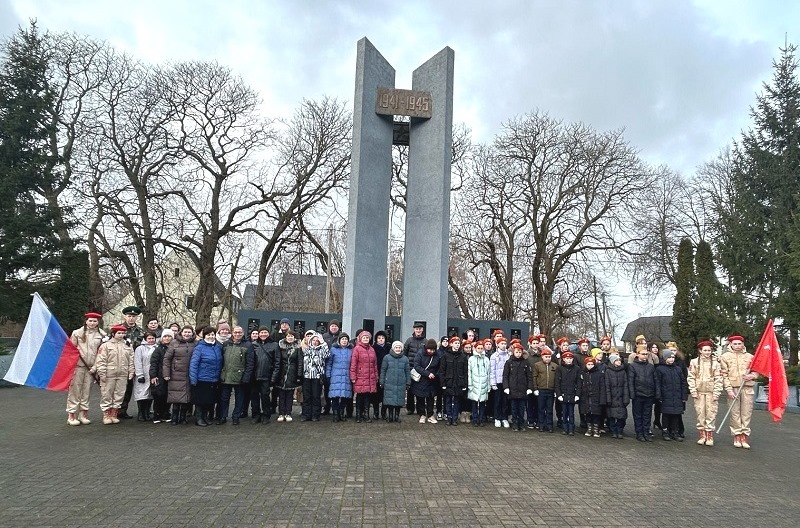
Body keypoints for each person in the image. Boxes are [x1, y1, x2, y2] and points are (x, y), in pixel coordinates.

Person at [66, 312, 105, 426]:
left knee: (87, 390)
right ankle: (71, 414)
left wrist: (96, 367)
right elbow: (70, 350)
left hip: (92, 367)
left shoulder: (102, 335)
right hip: (78, 366)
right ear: (86, 321)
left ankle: (83, 414)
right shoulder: (77, 333)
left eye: (95, 321)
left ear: (98, 322)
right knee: (75, 390)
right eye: (90, 321)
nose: (92, 323)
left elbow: (101, 353)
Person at [720, 334, 756, 449]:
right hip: (734, 388)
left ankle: (744, 435)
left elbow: (756, 371)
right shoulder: (725, 357)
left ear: (743, 344)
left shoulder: (750, 357)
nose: (737, 346)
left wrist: (751, 376)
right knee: (735, 413)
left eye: (739, 343)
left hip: (747, 388)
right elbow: (724, 375)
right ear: (731, 344)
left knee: (746, 413)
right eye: (735, 344)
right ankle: (737, 435)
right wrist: (729, 390)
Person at [94, 324, 134, 424]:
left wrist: (131, 371)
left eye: (123, 333)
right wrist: (101, 373)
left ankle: (114, 414)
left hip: (122, 374)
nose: (121, 335)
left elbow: (131, 360)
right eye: (118, 333)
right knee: (107, 394)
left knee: (119, 394)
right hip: (109, 374)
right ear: (113, 334)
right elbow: (101, 360)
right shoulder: (106, 345)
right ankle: (106, 415)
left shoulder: (127, 345)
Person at [688, 339, 723, 446]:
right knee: (700, 413)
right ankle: (702, 435)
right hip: (699, 393)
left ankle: (709, 436)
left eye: (709, 350)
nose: (707, 352)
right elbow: (691, 377)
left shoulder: (716, 363)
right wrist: (693, 391)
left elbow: (719, 379)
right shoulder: (694, 362)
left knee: (711, 413)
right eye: (705, 350)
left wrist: (716, 393)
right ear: (700, 351)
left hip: (711, 393)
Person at [219, 326, 254, 425]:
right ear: (232, 333)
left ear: (243, 333)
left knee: (239, 399)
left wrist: (246, 377)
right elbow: (221, 360)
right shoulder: (226, 344)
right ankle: (223, 416)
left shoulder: (248, 345)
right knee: (224, 398)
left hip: (240, 377)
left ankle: (236, 417)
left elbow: (250, 363)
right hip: (226, 376)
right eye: (235, 332)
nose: (237, 334)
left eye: (239, 332)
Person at [190, 326, 223, 427]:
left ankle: (205, 417)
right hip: (202, 378)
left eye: (212, 334)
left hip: (214, 379)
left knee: (209, 400)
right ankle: (199, 418)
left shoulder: (217, 347)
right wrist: (193, 379)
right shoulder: (199, 348)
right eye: (208, 335)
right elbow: (193, 364)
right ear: (204, 336)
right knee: (200, 401)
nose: (210, 337)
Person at [163, 325, 196, 425]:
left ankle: (183, 417)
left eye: (189, 332)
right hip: (175, 374)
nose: (187, 334)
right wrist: (166, 374)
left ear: (192, 333)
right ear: (181, 333)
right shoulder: (174, 343)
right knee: (176, 397)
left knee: (186, 397)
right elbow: (167, 359)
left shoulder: (196, 343)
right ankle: (174, 417)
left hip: (189, 374)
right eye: (185, 332)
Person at [655, 349, 688, 442]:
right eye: (669, 357)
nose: (671, 359)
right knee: (666, 415)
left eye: (673, 357)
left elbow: (683, 383)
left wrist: (684, 396)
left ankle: (675, 432)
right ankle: (665, 431)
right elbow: (658, 384)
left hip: (677, 396)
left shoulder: (678, 369)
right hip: (666, 397)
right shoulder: (660, 369)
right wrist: (659, 396)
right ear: (665, 358)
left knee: (676, 415)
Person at [118, 305, 143, 419]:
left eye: (133, 316)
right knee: (121, 387)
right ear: (125, 317)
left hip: (136, 362)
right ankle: (116, 410)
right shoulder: (118, 330)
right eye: (129, 316)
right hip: (122, 361)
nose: (131, 318)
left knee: (131, 388)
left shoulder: (141, 332)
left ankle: (124, 410)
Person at [503, 341, 534, 431]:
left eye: (520, 352)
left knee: (521, 408)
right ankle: (515, 423)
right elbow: (505, 376)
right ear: (513, 352)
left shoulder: (525, 363)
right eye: (516, 352)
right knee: (514, 408)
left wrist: (529, 387)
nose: (518, 354)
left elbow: (529, 376)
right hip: (513, 389)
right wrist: (506, 387)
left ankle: (521, 423)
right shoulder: (509, 362)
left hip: (523, 389)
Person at [628, 346, 656, 442]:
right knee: (638, 415)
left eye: (646, 354)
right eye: (643, 354)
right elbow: (630, 381)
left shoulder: (651, 367)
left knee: (647, 415)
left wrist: (656, 393)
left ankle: (646, 432)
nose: (645, 356)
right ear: (637, 354)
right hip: (638, 394)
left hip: (649, 394)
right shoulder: (632, 366)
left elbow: (655, 380)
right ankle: (639, 433)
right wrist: (632, 394)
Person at [350, 330, 378, 423]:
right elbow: (353, 364)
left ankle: (366, 414)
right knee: (359, 396)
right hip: (360, 376)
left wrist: (376, 376)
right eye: (364, 337)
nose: (366, 339)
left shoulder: (372, 349)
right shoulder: (356, 349)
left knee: (367, 397)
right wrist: (353, 376)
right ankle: (358, 415)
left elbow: (375, 365)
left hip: (370, 376)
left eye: (367, 338)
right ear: (360, 339)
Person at [274, 330, 303, 422]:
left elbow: (300, 362)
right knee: (281, 395)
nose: (290, 338)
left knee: (290, 395)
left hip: (292, 373)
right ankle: (281, 413)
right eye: (288, 336)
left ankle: (288, 413)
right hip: (282, 372)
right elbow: (277, 360)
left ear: (294, 338)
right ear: (285, 337)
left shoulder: (298, 348)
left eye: (292, 336)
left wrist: (299, 375)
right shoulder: (280, 347)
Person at [439, 336, 468, 426]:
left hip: (459, 382)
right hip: (448, 382)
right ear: (451, 344)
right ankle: (449, 418)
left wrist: (465, 384)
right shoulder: (445, 356)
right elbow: (442, 371)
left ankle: (454, 418)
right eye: (455, 343)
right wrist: (443, 383)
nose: (457, 345)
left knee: (456, 401)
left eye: (458, 343)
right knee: (447, 401)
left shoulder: (462, 356)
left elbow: (465, 371)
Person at [301, 331, 329, 422]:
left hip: (317, 377)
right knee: (307, 397)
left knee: (316, 396)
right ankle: (306, 415)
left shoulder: (321, 350)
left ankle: (315, 415)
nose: (315, 342)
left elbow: (327, 354)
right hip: (306, 376)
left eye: (317, 341)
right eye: (314, 340)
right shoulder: (306, 350)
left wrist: (323, 342)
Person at [251, 327, 277, 424]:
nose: (263, 334)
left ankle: (266, 415)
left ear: (268, 333)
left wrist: (273, 377)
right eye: (261, 332)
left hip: (267, 375)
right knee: (254, 397)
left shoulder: (274, 345)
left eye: (265, 332)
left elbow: (277, 363)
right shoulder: (253, 345)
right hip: (254, 376)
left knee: (265, 397)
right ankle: (256, 414)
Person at [380, 340, 411, 423]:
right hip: (389, 382)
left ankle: (397, 416)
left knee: (399, 400)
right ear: (393, 348)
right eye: (396, 347)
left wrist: (408, 382)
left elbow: (407, 371)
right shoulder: (387, 358)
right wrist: (382, 381)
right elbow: (383, 370)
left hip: (401, 383)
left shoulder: (405, 359)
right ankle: (390, 415)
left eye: (399, 347)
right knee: (390, 401)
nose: (398, 349)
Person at [412, 339, 441, 424]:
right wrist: (427, 374)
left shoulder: (437, 355)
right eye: (430, 349)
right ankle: (421, 415)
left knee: (430, 399)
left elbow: (440, 367)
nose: (431, 351)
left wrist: (435, 375)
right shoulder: (420, 353)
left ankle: (430, 415)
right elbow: (417, 366)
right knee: (420, 398)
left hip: (432, 381)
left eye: (433, 350)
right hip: (421, 379)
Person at [327, 333, 353, 423]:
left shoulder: (351, 351)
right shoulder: (333, 350)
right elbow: (329, 363)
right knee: (335, 396)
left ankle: (341, 413)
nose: (344, 341)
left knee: (345, 396)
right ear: (339, 340)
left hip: (346, 376)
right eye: (342, 339)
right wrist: (328, 375)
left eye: (346, 339)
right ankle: (335, 414)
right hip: (335, 376)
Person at [403, 322, 427, 414]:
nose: (418, 331)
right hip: (410, 368)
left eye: (420, 329)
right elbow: (405, 353)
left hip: (420, 370)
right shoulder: (409, 340)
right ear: (414, 330)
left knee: (420, 391)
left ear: (422, 330)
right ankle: (410, 408)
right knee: (410, 390)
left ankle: (420, 409)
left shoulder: (425, 341)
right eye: (417, 329)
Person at [149, 329, 173, 423]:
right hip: (159, 375)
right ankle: (157, 414)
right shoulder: (158, 349)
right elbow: (154, 363)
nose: (167, 338)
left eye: (169, 336)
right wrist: (153, 375)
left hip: (171, 375)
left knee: (168, 396)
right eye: (165, 336)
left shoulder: (173, 348)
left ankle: (166, 413)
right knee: (159, 396)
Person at [555, 351, 581, 435]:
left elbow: (579, 382)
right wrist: (558, 394)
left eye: (570, 358)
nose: (569, 360)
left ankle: (571, 429)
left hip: (572, 393)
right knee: (564, 412)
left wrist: (577, 394)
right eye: (567, 358)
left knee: (571, 413)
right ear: (563, 359)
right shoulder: (560, 368)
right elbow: (557, 382)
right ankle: (565, 428)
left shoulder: (576, 368)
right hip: (563, 393)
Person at [579, 356, 606, 438]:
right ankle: (589, 428)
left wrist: (602, 399)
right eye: (588, 364)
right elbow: (580, 385)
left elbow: (602, 387)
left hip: (596, 396)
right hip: (586, 396)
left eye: (592, 364)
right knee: (587, 413)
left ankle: (596, 429)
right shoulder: (583, 373)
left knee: (596, 414)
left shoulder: (599, 374)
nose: (590, 366)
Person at [133, 332, 157, 421]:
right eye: (149, 338)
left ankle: (147, 412)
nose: (151, 340)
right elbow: (137, 362)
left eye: (152, 338)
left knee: (150, 394)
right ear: (145, 339)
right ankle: (141, 412)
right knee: (141, 394)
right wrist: (140, 375)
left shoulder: (157, 348)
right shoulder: (140, 349)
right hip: (143, 373)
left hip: (152, 374)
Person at [604, 353, 629, 439]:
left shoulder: (623, 371)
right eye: (616, 360)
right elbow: (607, 386)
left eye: (619, 360)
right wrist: (608, 398)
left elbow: (626, 385)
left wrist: (626, 398)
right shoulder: (608, 371)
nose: (619, 362)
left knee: (621, 416)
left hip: (621, 397)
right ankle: (613, 431)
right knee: (611, 416)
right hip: (612, 397)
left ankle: (620, 431)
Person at [532, 349, 558, 432]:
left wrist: (556, 391)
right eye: (546, 357)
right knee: (541, 408)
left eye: (549, 357)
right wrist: (535, 388)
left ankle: (549, 425)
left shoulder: (555, 366)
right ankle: (541, 424)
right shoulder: (537, 365)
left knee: (550, 409)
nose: (547, 358)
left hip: (551, 390)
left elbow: (557, 379)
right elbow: (534, 377)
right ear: (542, 357)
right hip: (541, 390)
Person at [467, 339, 490, 427]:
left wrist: (488, 385)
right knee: (474, 403)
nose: (480, 350)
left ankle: (481, 419)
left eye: (481, 348)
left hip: (483, 383)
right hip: (474, 383)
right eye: (478, 348)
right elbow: (469, 373)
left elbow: (489, 372)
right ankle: (475, 419)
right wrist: (470, 384)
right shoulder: (471, 359)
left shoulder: (486, 359)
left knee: (482, 403)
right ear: (475, 349)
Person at [321, 319, 342, 416]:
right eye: (332, 326)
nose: (334, 328)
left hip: (337, 366)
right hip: (326, 365)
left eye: (336, 326)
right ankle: (326, 407)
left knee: (335, 389)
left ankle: (336, 409)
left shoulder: (341, 337)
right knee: (326, 388)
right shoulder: (324, 337)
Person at [490, 336, 511, 428]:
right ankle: (497, 418)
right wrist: (493, 383)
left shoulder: (509, 355)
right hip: (498, 382)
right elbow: (492, 370)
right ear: (497, 344)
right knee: (497, 401)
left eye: (505, 343)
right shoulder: (494, 356)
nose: (503, 345)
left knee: (505, 401)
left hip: (506, 383)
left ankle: (504, 418)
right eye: (501, 343)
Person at [372, 330, 391, 420]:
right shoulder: (373, 348)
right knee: (376, 394)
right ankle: (376, 412)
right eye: (379, 338)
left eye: (382, 338)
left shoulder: (389, 348)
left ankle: (384, 412)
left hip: (387, 374)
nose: (381, 340)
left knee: (385, 394)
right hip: (376, 373)